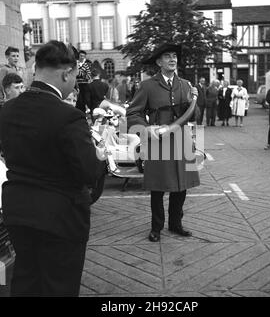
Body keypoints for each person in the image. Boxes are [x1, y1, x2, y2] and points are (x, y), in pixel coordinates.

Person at [0, 40, 106, 297]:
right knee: (59, 284)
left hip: (18, 210)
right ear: (66, 73)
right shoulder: (68, 116)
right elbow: (88, 172)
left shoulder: (7, 109)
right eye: (75, 75)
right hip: (60, 216)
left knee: (26, 278)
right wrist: (99, 157)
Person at [126, 43, 200, 242]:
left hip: (182, 140)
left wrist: (194, 100)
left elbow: (194, 115)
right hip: (158, 141)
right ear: (159, 62)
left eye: (174, 56)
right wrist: (146, 128)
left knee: (181, 186)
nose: (172, 59)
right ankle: (156, 227)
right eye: (167, 56)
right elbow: (133, 113)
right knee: (158, 188)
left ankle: (176, 224)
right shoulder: (148, 85)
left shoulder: (185, 84)